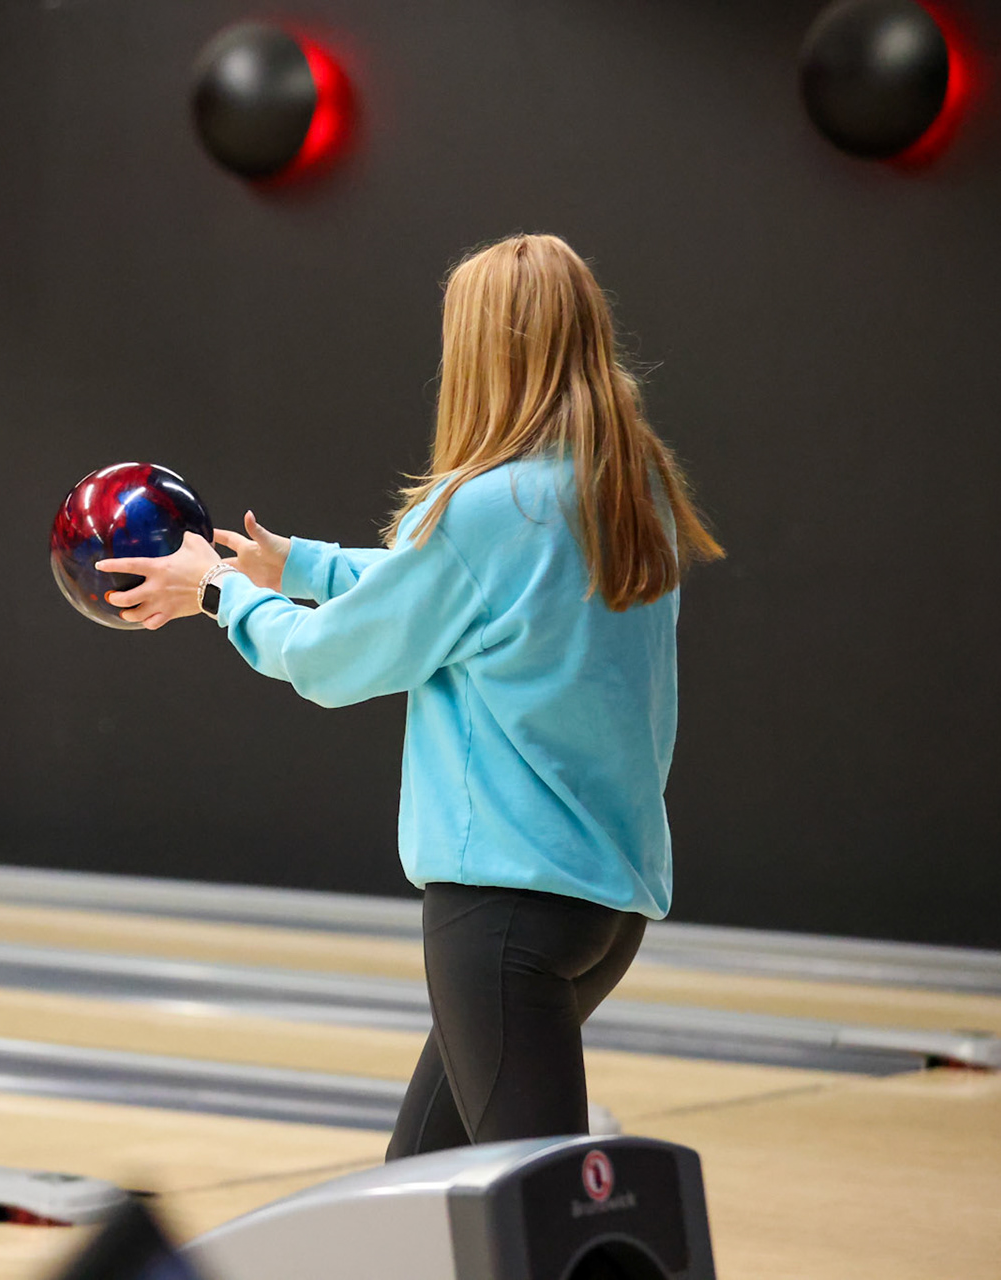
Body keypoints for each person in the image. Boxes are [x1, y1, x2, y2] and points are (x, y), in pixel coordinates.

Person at [97, 233, 723, 1159]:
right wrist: (302, 565)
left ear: (483, 354)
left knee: (535, 1212)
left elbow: (327, 660)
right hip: (605, 905)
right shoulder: (630, 492)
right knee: (418, 1192)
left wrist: (221, 592)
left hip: (500, 912)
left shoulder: (486, 509)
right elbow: (468, 601)